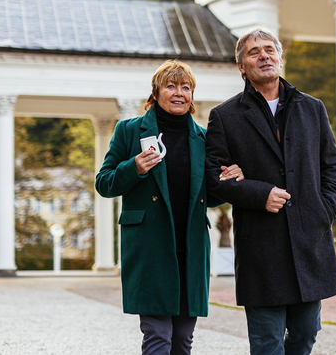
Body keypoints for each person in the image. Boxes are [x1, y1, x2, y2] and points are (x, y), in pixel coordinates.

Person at [205, 27, 336, 355]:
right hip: (261, 247)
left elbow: (332, 166)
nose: (264, 56)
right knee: (267, 344)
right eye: (254, 52)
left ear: (280, 58)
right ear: (242, 66)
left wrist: (325, 209)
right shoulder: (224, 116)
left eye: (269, 50)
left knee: (306, 333)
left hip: (310, 241)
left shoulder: (312, 108)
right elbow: (214, 177)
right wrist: (259, 193)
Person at [96, 59, 243, 355]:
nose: (179, 93)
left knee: (183, 339)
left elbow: (208, 197)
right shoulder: (129, 131)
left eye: (186, 87)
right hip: (150, 248)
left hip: (190, 249)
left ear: (192, 96)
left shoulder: (204, 138)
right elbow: (104, 183)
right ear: (156, 92)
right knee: (157, 336)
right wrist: (133, 167)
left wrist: (230, 182)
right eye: (171, 86)